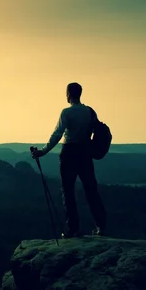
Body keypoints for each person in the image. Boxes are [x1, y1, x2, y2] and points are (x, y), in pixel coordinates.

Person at [31, 82, 106, 238]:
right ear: (80, 93)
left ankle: (73, 229)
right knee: (91, 190)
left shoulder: (66, 112)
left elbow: (57, 134)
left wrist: (43, 151)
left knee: (68, 191)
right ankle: (101, 226)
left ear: (68, 94)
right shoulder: (90, 112)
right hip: (85, 153)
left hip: (69, 153)